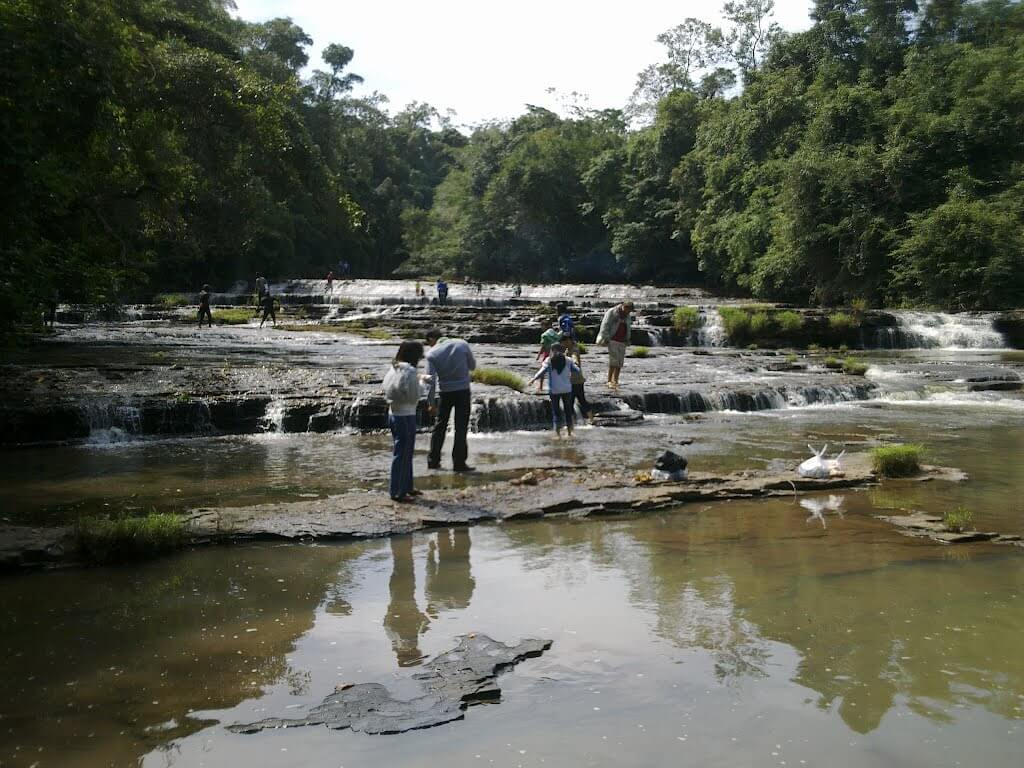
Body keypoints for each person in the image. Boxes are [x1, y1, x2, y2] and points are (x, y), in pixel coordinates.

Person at [424, 328, 476, 472]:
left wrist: (431, 403)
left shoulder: (432, 354)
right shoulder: (462, 344)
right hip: (463, 391)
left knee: (439, 427)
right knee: (461, 428)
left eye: (428, 343)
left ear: (432, 339)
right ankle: (459, 463)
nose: (429, 346)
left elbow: (430, 381)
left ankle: (433, 461)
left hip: (445, 392)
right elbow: (472, 366)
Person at [383, 340, 425, 502]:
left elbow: (388, 388)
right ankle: (397, 492)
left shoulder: (394, 367)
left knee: (404, 452)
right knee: (402, 454)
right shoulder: (410, 371)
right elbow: (415, 395)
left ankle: (407, 487)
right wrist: (422, 383)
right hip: (406, 415)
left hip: (394, 413)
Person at [529, 343, 581, 438]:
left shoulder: (549, 360)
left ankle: (558, 434)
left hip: (554, 390)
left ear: (552, 351)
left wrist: (533, 379)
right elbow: (577, 370)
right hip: (567, 389)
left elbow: (542, 372)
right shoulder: (568, 360)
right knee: (568, 411)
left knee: (556, 412)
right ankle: (569, 432)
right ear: (562, 350)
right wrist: (575, 363)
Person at [595, 301, 634, 389]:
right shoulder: (612, 312)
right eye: (627, 310)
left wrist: (627, 339)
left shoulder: (627, 316)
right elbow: (605, 325)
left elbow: (628, 327)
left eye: (630, 311)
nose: (628, 312)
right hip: (612, 339)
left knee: (620, 362)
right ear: (623, 306)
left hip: (622, 341)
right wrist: (606, 338)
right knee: (613, 361)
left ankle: (615, 380)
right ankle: (609, 381)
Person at [561, 332, 593, 423]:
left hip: (573, 381)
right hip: (577, 380)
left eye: (564, 342)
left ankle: (571, 423)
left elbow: (575, 358)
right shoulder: (569, 349)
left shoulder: (573, 350)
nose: (563, 344)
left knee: (570, 403)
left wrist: (575, 363)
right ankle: (591, 419)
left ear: (569, 340)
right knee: (582, 400)